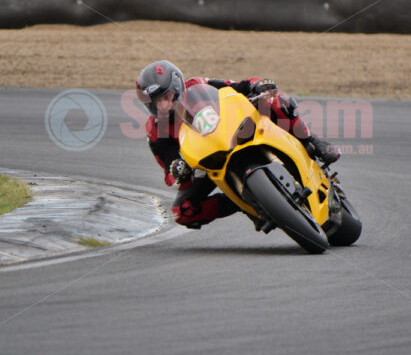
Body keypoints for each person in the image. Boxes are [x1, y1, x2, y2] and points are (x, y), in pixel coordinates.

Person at [136, 60, 340, 230]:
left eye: (166, 97)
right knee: (183, 212)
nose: (163, 106)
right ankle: (243, 203)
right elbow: (169, 167)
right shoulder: (155, 130)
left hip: (236, 131)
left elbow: (240, 86)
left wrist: (258, 85)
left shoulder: (197, 85)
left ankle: (310, 140)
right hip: (206, 162)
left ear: (177, 87)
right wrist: (177, 168)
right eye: (156, 102)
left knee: (275, 99)